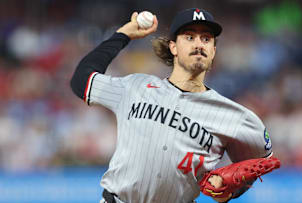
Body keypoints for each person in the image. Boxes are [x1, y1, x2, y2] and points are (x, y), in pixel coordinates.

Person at [70, 8, 273, 203]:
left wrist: (230, 192)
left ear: (213, 51)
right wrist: (123, 35)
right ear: (173, 47)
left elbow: (257, 165)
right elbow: (81, 81)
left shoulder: (234, 116)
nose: (199, 44)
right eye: (189, 36)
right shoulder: (134, 86)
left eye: (206, 39)